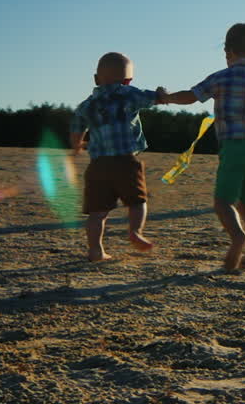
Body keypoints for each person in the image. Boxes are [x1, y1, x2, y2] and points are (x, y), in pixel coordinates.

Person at [159, 23, 245, 271]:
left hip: (235, 146)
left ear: (227, 52)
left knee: (223, 202)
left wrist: (167, 97)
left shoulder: (221, 77)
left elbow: (191, 96)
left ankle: (237, 237)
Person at [70, 52, 170, 262]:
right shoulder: (129, 94)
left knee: (97, 213)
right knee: (137, 201)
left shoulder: (86, 105)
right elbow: (155, 97)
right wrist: (162, 93)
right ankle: (135, 231)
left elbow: (77, 130)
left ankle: (95, 250)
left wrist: (78, 145)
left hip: (98, 165)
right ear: (128, 80)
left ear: (96, 79)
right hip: (126, 161)